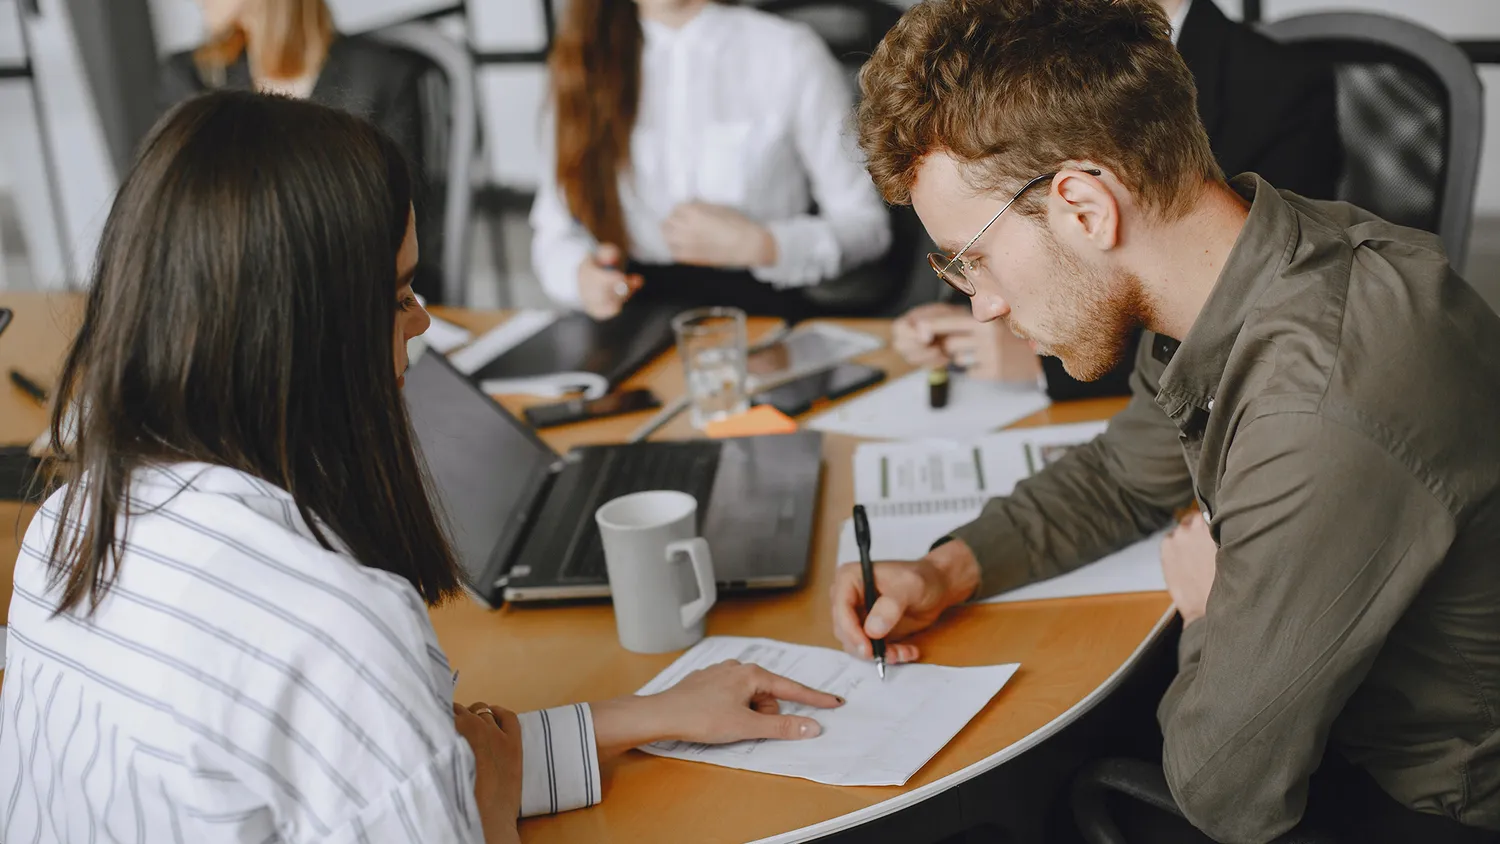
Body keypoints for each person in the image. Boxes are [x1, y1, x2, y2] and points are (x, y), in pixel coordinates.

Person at [0, 91, 842, 844]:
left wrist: (639, 718)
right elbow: (410, 771)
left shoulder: (69, 533)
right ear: (302, 333)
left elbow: (374, 773)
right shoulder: (333, 630)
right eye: (400, 294)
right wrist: (494, 814)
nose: (425, 322)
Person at [829, 0, 1500, 842]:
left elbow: (1225, 793)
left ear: (1083, 207)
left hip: (1423, 800)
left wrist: (1208, 607)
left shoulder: (1319, 411)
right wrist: (949, 571)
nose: (986, 305)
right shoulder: (1245, 256)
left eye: (973, 260)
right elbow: (1121, 476)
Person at [891, 0, 1343, 402]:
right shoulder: (1023, 53)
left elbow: (1242, 282)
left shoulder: (1278, 84)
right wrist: (958, 321)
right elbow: (1004, 211)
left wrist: (1038, 365)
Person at [529, 0, 892, 322]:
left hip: (759, 311)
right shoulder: (580, 61)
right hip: (632, 313)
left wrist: (767, 246)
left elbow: (867, 226)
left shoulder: (787, 52)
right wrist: (581, 278)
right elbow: (553, 232)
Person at [157, 0, 450, 301]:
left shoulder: (383, 77)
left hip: (355, 298)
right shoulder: (193, 80)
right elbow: (185, 225)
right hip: (230, 302)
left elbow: (400, 224)